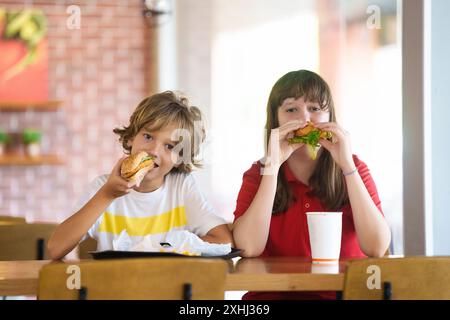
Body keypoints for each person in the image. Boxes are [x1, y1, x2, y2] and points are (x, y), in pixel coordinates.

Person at [232, 70, 391, 300]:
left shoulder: (354, 167)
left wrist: (347, 166)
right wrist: (272, 166)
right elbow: (248, 247)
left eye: (315, 108)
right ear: (275, 120)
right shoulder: (258, 174)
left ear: (330, 116)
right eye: (291, 109)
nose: (304, 119)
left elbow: (376, 247)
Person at [48, 91, 233, 260]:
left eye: (169, 146)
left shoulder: (181, 187)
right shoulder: (103, 187)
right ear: (131, 137)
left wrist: (166, 248)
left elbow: (224, 241)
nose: (154, 151)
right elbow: (55, 249)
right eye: (148, 136)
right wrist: (107, 194)